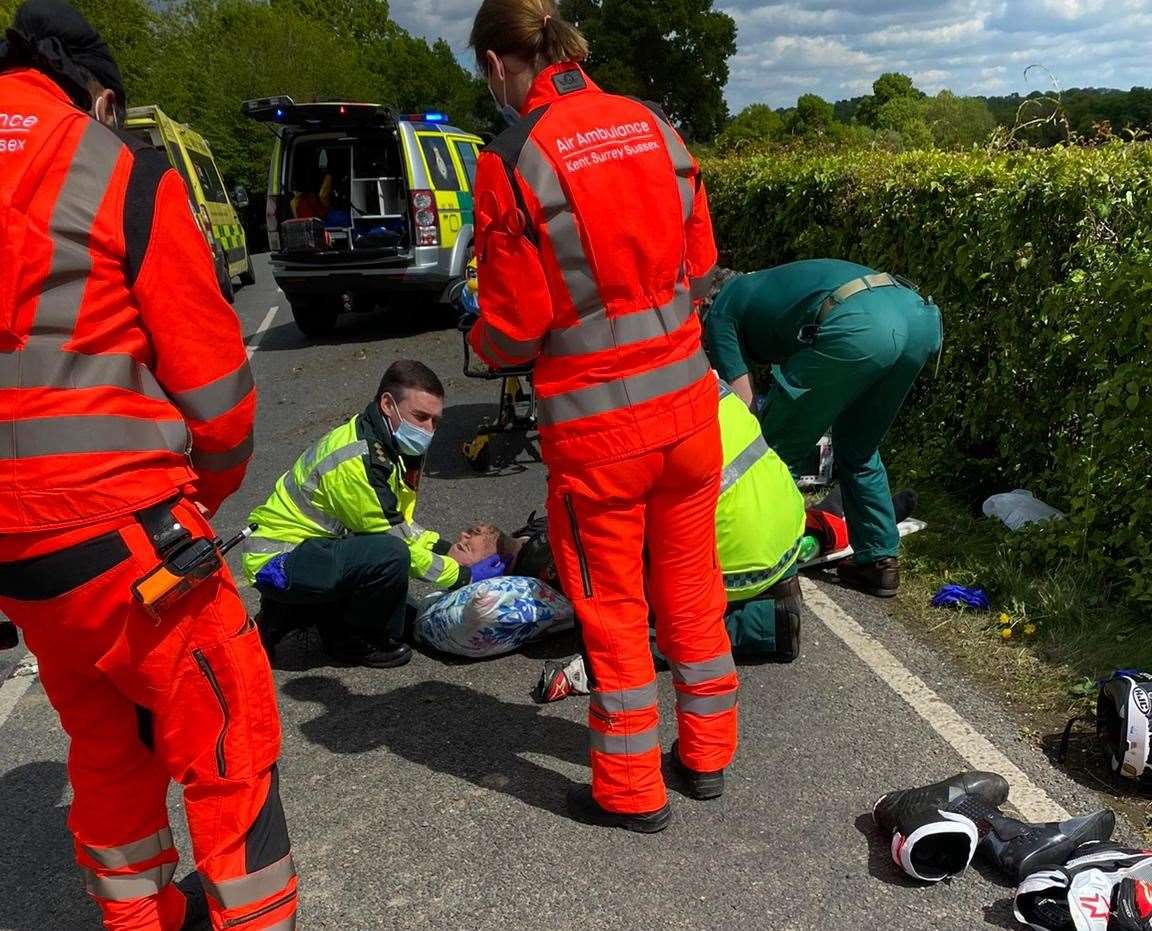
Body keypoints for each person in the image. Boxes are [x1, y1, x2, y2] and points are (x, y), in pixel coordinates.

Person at [0, 3, 298, 929]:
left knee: (104, 746)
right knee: (228, 742)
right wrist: (202, 494)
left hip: (19, 554)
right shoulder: (115, 169)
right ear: (97, 96)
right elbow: (216, 394)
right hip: (127, 531)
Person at [467, 0, 737, 832]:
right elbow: (701, 269)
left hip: (600, 442)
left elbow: (512, 332)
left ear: (494, 65)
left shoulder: (511, 158)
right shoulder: (654, 125)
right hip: (690, 415)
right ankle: (707, 754)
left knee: (614, 609)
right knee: (692, 589)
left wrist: (477, 324)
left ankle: (629, 791)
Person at [242, 360, 509, 668]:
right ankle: (350, 641)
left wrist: (445, 548)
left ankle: (299, 615)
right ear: (387, 404)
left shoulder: (383, 442)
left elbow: (399, 523)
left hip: (310, 550)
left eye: (435, 422)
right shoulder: (359, 461)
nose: (428, 430)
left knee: (396, 588)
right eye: (420, 417)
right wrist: (460, 575)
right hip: (281, 560)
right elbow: (394, 543)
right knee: (389, 557)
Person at [704, 260, 943, 598]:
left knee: (767, 454)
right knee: (859, 449)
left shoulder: (720, 308)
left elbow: (744, 408)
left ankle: (771, 564)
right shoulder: (763, 284)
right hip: (917, 319)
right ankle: (878, 562)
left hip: (860, 326)